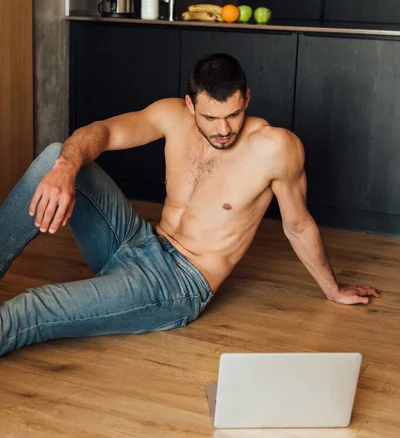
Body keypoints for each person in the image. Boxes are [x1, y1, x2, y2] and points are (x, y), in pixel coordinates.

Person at [0, 53, 380, 356]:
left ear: (246, 98)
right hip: (137, 242)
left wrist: (332, 288)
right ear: (189, 104)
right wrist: (65, 168)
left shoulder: (276, 148)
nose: (224, 129)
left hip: (177, 282)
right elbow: (102, 131)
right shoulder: (171, 116)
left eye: (233, 114)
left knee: (34, 306)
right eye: (211, 117)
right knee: (59, 155)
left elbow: (298, 225)